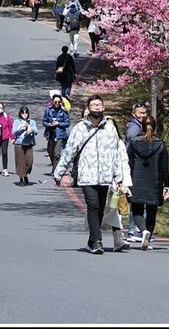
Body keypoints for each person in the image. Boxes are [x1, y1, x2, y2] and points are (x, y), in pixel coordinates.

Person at [52, 95, 131, 254]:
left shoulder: (110, 128)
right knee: (93, 205)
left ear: (103, 108)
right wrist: (58, 173)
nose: (96, 107)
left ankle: (91, 239)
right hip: (86, 176)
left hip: (104, 177)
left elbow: (115, 154)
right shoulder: (80, 128)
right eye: (93, 105)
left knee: (100, 207)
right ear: (88, 108)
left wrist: (119, 177)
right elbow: (69, 151)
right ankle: (97, 241)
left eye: (99, 105)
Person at [127, 113, 169, 250]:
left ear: (142, 126)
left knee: (136, 208)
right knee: (152, 210)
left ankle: (143, 230)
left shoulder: (134, 142)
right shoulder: (161, 144)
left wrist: (126, 180)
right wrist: (166, 185)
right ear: (155, 126)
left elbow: (129, 163)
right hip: (155, 181)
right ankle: (148, 238)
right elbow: (164, 167)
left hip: (136, 180)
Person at [124, 102, 148, 241]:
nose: (143, 116)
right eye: (140, 113)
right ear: (134, 114)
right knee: (137, 200)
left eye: (144, 113)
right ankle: (134, 230)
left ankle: (136, 229)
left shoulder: (139, 127)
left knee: (137, 200)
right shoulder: (134, 128)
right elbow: (130, 148)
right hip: (134, 168)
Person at [42, 91, 71, 174]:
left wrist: (59, 124)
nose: (57, 103)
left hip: (60, 134)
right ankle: (55, 166)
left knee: (56, 153)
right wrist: (49, 124)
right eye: (55, 102)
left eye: (59, 102)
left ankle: (55, 170)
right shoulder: (48, 110)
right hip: (50, 133)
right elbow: (44, 121)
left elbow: (67, 123)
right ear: (52, 102)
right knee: (50, 151)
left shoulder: (64, 111)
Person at [11, 105, 38, 185]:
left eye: (26, 113)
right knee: (21, 162)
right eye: (23, 113)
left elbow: (36, 131)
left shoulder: (32, 122)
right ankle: (21, 178)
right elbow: (13, 132)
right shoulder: (17, 122)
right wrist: (22, 127)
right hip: (19, 143)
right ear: (20, 113)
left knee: (29, 162)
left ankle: (25, 173)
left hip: (29, 143)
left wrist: (30, 128)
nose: (24, 115)